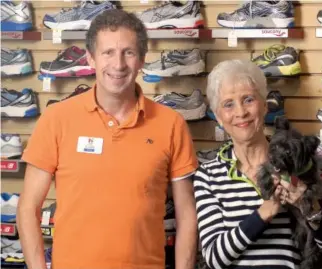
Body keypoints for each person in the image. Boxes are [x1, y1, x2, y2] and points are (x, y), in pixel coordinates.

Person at [17, 9, 198, 269]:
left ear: (142, 59)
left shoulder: (171, 124)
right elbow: (28, 207)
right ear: (90, 58)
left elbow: (186, 213)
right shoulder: (57, 119)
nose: (118, 64)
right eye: (108, 53)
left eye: (129, 52)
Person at [193, 60, 322, 269]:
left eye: (248, 100)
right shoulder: (209, 176)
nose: (240, 112)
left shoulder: (299, 162)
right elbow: (213, 257)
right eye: (228, 104)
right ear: (218, 117)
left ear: (265, 106)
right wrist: (265, 212)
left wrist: (310, 206)